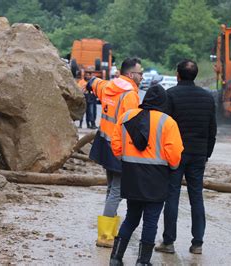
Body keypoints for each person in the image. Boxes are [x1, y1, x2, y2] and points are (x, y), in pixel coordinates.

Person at [109, 84, 183, 266]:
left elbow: (116, 146)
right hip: (156, 179)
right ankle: (142, 262)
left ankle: (115, 257)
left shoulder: (126, 117)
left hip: (131, 176)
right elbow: (174, 156)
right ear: (163, 101)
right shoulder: (168, 122)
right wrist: (172, 167)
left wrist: (127, 158)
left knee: (131, 217)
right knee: (151, 221)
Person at [155, 59, 217, 255]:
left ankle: (168, 241)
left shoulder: (170, 95)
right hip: (198, 154)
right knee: (196, 197)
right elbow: (212, 129)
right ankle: (197, 243)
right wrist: (207, 153)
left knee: (171, 195)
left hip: (175, 154)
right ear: (195, 75)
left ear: (177, 75)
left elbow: (163, 126)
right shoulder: (207, 97)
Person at [86, 57, 142, 247]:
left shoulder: (109, 86)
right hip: (119, 147)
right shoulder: (130, 95)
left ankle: (108, 231)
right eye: (140, 73)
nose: (142, 76)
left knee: (111, 189)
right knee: (116, 191)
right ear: (130, 74)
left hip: (104, 143)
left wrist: (90, 81)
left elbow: (95, 84)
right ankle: (106, 236)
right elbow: (132, 125)